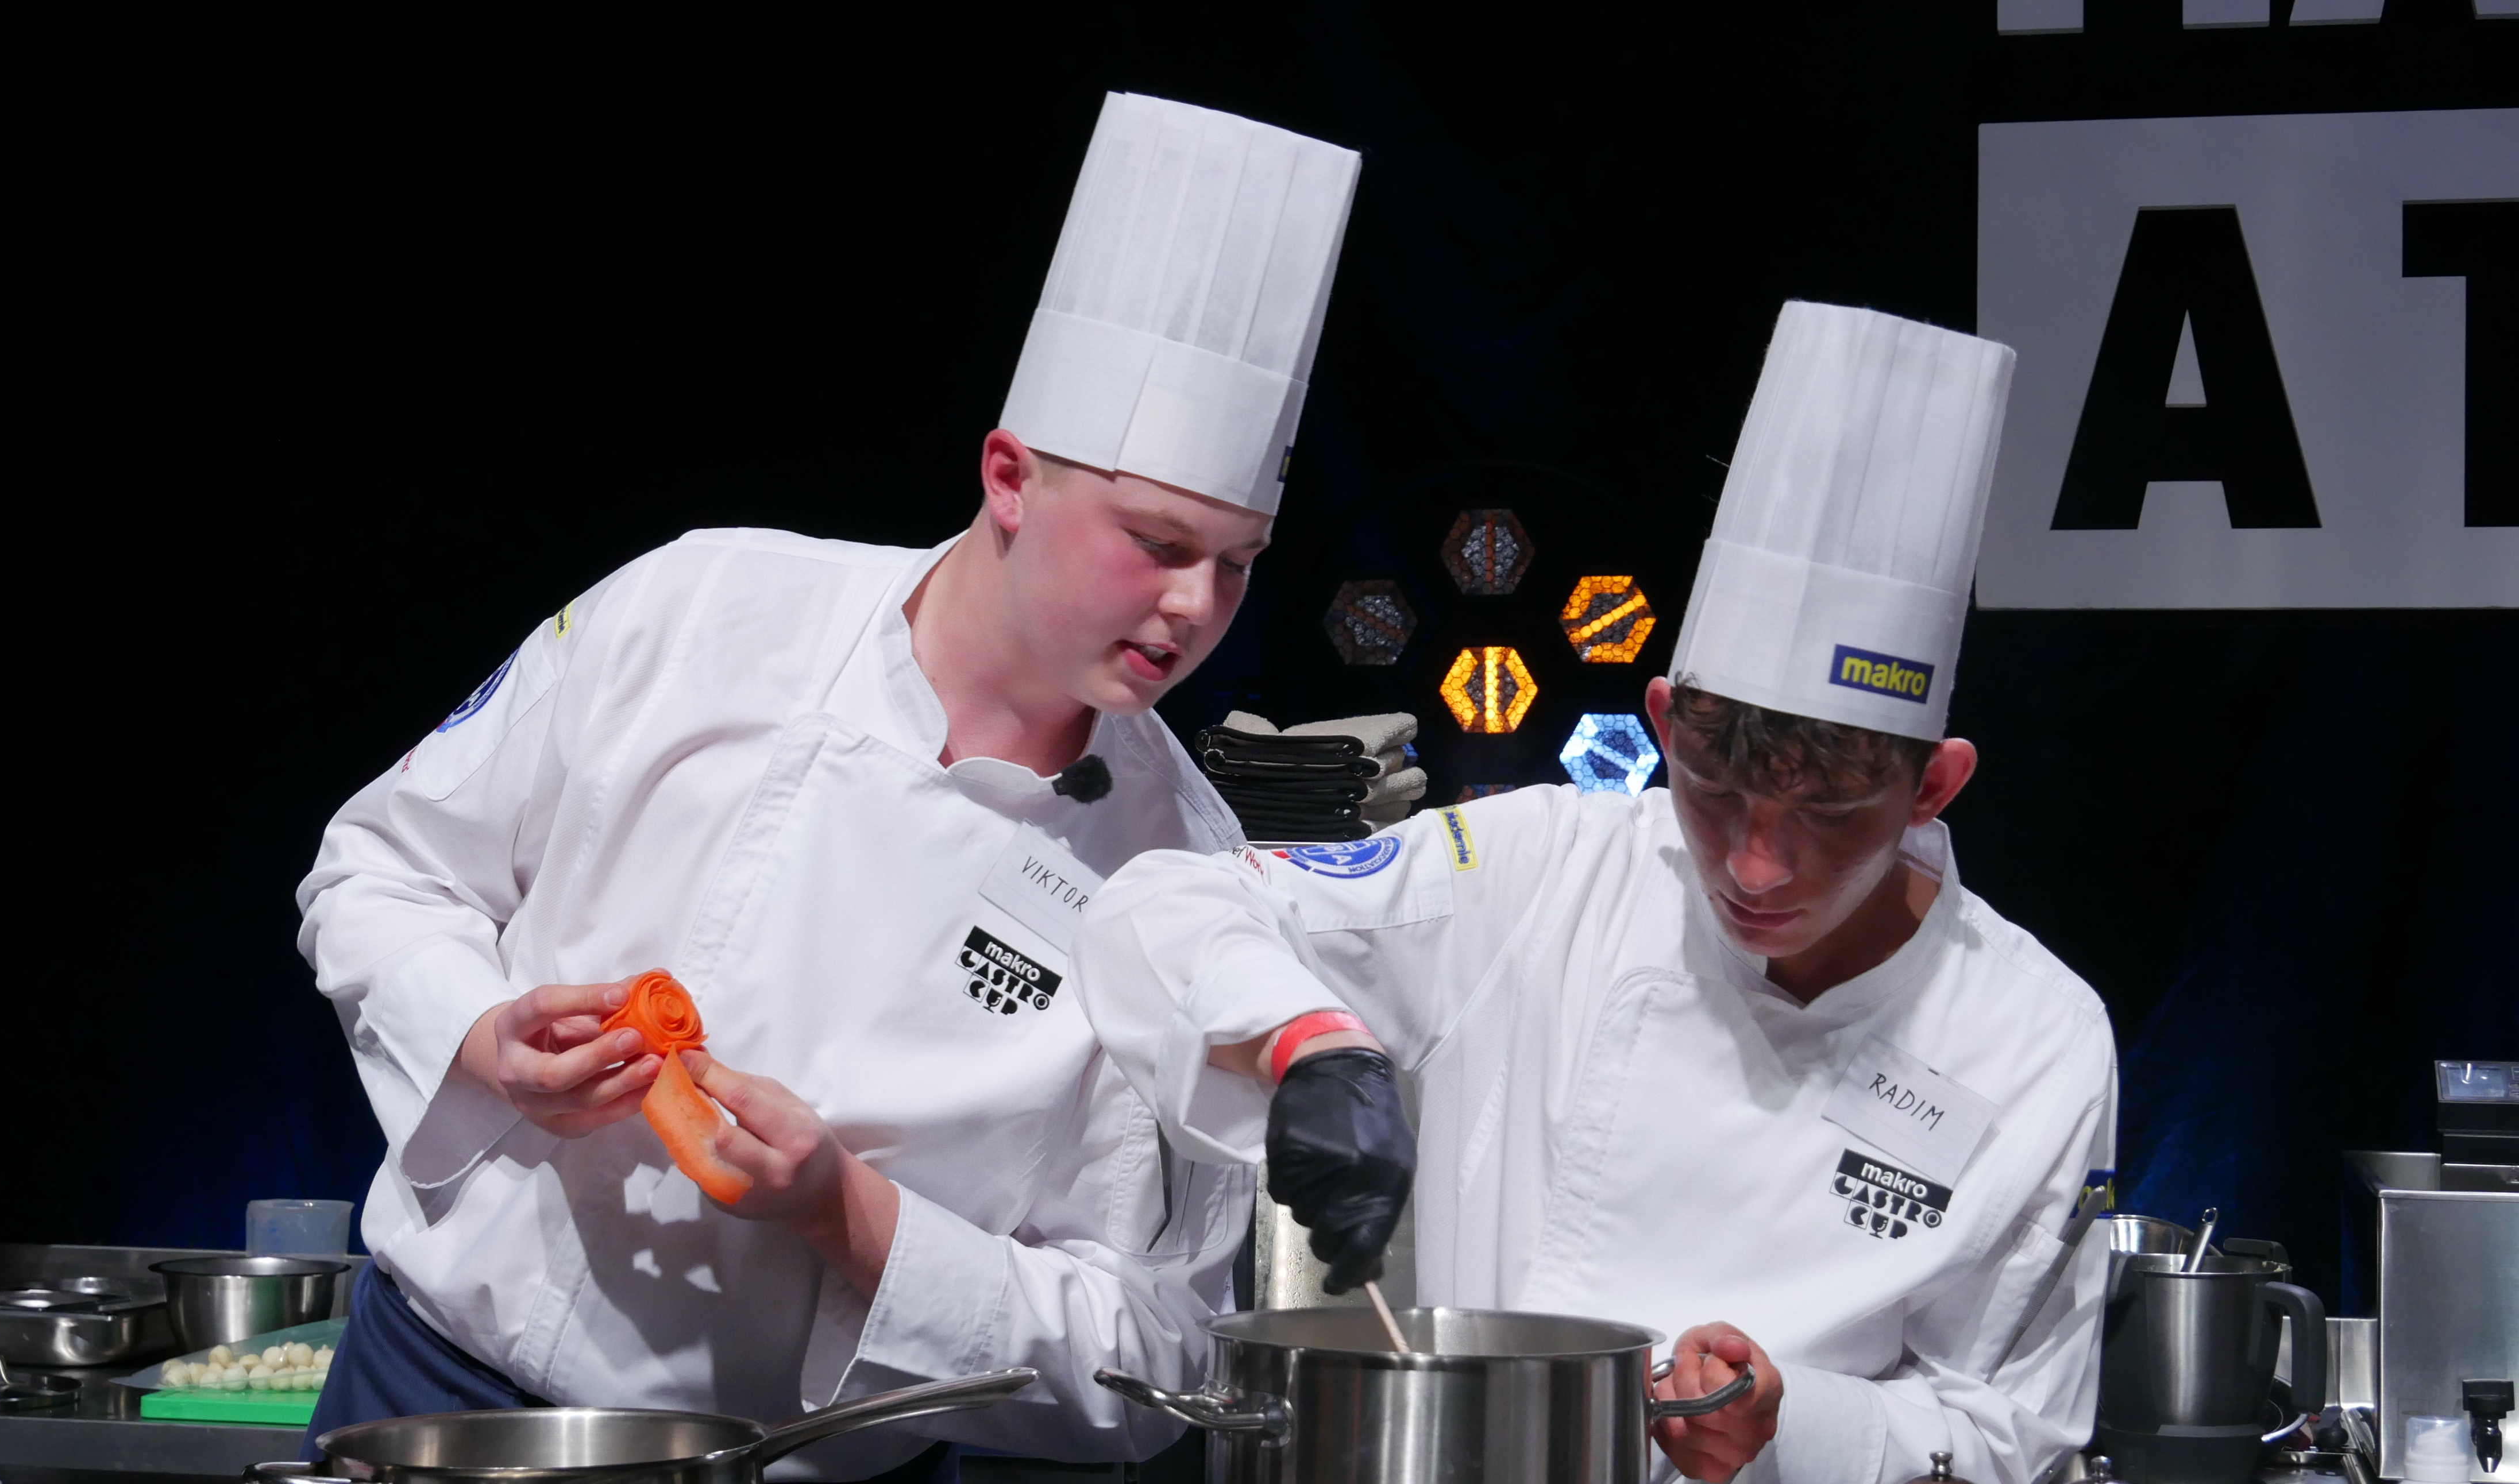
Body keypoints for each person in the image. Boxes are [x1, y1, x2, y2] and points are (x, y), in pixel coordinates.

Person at [295, 92, 1360, 1480]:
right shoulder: (704, 604)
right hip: (429, 1388)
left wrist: (848, 1213)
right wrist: (483, 1034)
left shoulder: (1181, 883)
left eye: (1238, 562)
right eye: (1158, 542)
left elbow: (1154, 1353)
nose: (1196, 605)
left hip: (786, 1458)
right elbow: (376, 868)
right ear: (1010, 476)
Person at [1075, 302, 2121, 1484]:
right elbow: (1166, 907)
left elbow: (2015, 1440)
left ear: (1933, 785)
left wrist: (1795, 1427)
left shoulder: (2035, 1038)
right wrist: (1304, 1041)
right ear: (1665, 722)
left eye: (1826, 817)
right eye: (1715, 791)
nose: (1754, 866)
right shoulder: (1545, 868)